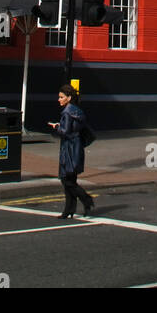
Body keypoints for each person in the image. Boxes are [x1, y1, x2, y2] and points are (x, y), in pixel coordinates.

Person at [47, 84, 95, 219]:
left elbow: (65, 132)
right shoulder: (77, 110)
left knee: (66, 180)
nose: (59, 100)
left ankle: (87, 200)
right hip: (76, 148)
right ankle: (69, 210)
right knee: (70, 179)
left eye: (61, 97)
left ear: (68, 98)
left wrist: (57, 126)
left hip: (69, 149)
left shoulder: (67, 112)